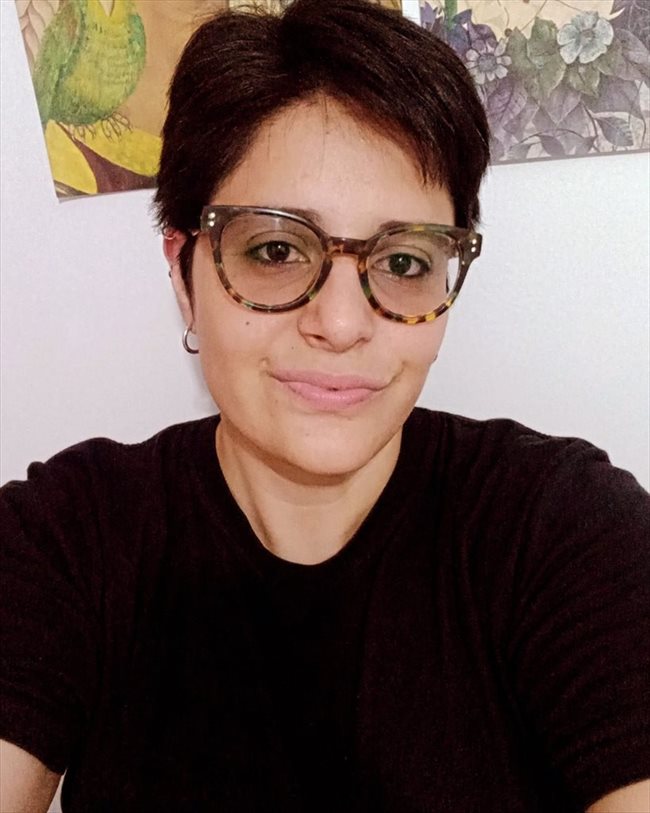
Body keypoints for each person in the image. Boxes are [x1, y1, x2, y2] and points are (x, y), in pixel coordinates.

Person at [1, 0, 649, 811]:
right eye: (275, 249)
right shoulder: (67, 538)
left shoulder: (563, 527)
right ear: (185, 276)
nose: (341, 324)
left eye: (404, 261)